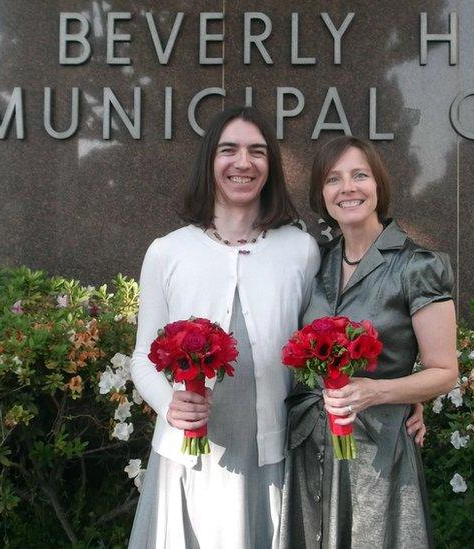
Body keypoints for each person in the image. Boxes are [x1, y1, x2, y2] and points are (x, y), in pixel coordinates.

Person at [128, 106, 320, 548]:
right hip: (186, 455)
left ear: (270, 166)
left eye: (257, 151)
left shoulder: (301, 250)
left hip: (268, 456)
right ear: (209, 163)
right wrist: (168, 404)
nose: (243, 162)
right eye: (228, 150)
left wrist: (395, 395)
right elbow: (142, 356)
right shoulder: (167, 252)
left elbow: (318, 351)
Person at [279, 136, 459, 549]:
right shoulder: (314, 261)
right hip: (311, 447)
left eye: (360, 175)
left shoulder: (418, 266)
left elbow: (445, 372)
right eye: (333, 179)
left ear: (378, 185)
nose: (348, 188)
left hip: (378, 452)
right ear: (321, 195)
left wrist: (381, 391)